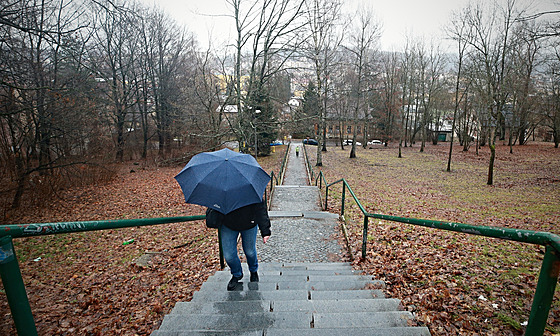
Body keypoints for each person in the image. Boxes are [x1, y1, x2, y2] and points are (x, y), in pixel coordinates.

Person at [206, 201, 271, 291]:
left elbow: (260, 208)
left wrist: (265, 230)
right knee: (229, 256)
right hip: (228, 224)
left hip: (249, 223)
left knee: (250, 252)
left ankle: (253, 270)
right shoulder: (222, 187)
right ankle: (237, 274)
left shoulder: (251, 188)